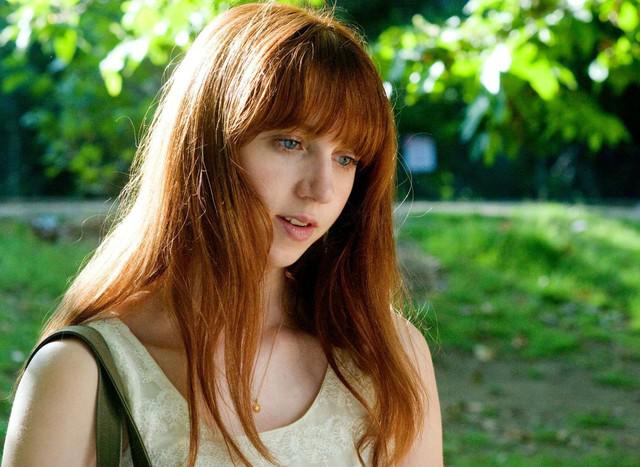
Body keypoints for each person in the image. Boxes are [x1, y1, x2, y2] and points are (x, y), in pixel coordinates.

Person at [2, 3, 443, 466]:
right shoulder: (83, 373)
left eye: (346, 158)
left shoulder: (388, 357)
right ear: (208, 145)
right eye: (290, 143)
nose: (322, 190)